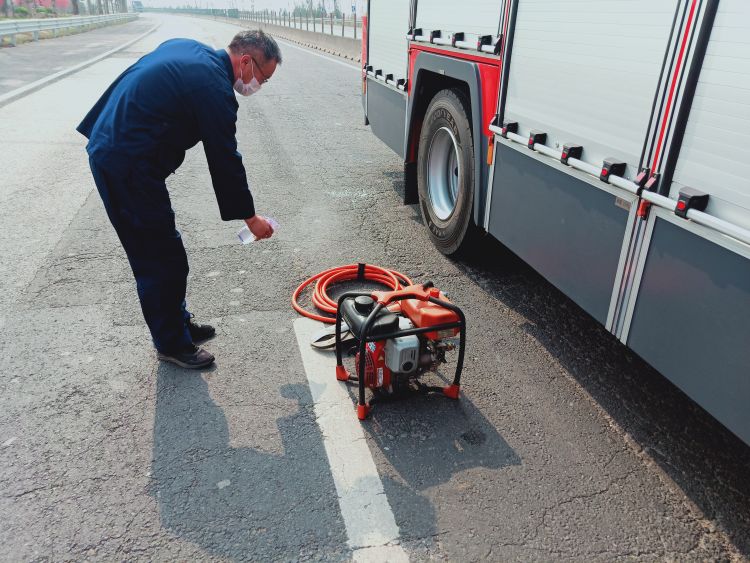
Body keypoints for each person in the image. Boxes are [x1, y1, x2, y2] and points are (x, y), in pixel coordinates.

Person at [77, 30, 281, 369]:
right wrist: (251, 219)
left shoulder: (189, 48)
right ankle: (171, 343)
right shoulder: (214, 88)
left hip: (121, 150)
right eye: (263, 77)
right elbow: (225, 159)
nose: (258, 85)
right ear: (245, 62)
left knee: (166, 250)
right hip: (125, 164)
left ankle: (177, 324)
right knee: (159, 257)